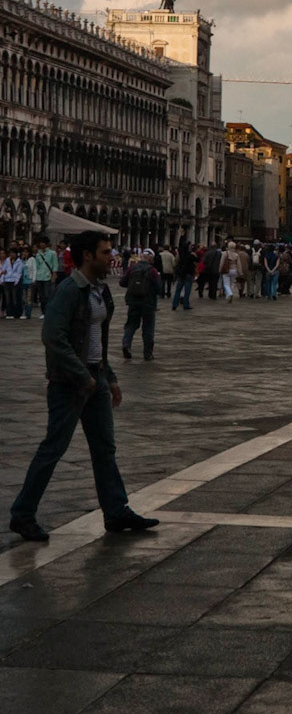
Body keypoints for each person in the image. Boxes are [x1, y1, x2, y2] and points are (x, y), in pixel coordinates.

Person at [9, 231, 160, 542]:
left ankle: (116, 511)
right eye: (105, 252)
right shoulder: (68, 291)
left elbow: (97, 343)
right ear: (88, 256)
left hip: (96, 378)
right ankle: (22, 514)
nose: (111, 257)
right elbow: (53, 337)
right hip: (69, 383)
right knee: (54, 447)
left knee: (105, 448)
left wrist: (110, 377)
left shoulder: (99, 291)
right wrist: (82, 375)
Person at [121, 249, 162, 361]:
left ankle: (126, 345)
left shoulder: (132, 268)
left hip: (133, 301)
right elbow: (159, 288)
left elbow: (122, 282)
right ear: (151, 259)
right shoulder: (152, 270)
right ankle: (147, 353)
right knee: (148, 327)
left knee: (131, 325)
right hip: (148, 303)